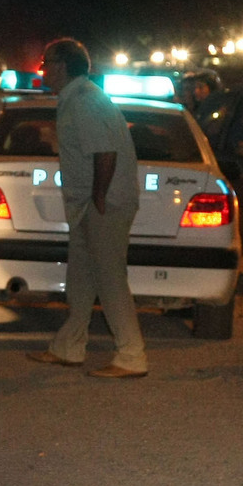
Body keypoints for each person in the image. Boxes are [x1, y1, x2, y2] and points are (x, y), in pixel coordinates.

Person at [26, 37, 149, 378]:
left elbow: (105, 153)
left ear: (62, 67)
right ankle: (69, 347)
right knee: (80, 277)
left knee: (110, 278)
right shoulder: (77, 98)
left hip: (103, 204)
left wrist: (98, 197)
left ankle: (131, 356)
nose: (42, 70)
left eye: (46, 63)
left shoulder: (83, 100)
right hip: (88, 203)